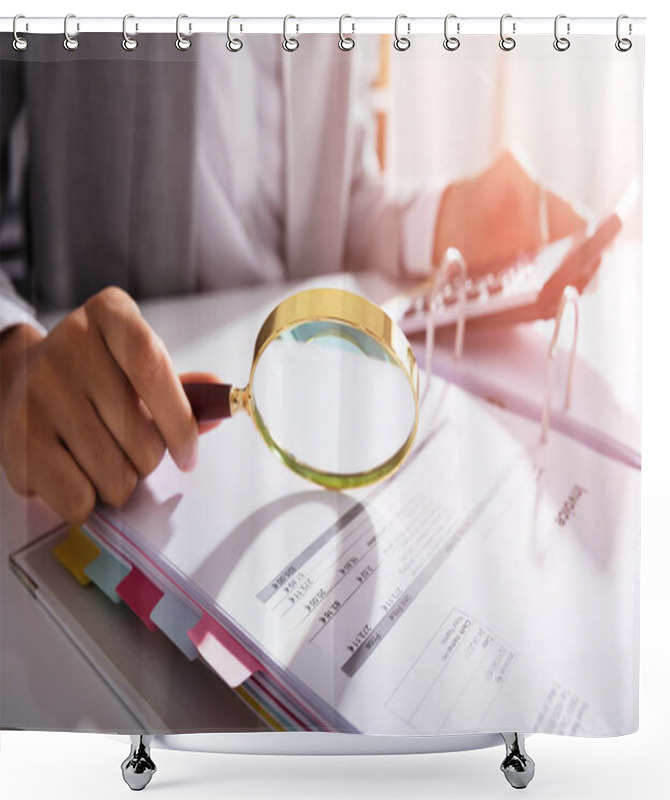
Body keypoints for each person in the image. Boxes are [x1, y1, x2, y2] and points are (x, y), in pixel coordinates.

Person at [0, 33, 586, 525]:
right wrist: (12, 357)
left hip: (309, 398)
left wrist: (449, 217)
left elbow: (341, 197)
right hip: (94, 429)